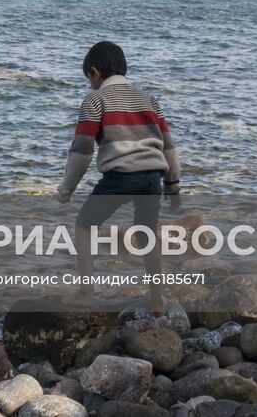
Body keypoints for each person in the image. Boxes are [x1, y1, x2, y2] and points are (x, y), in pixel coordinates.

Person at [57, 41, 182, 311]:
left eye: (89, 78)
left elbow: (82, 150)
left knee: (84, 225)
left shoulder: (95, 99)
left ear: (95, 72)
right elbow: (169, 147)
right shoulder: (150, 100)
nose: (90, 84)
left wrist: (67, 188)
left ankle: (86, 294)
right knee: (147, 233)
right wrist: (173, 185)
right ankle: (156, 298)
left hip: (120, 176)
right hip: (152, 177)